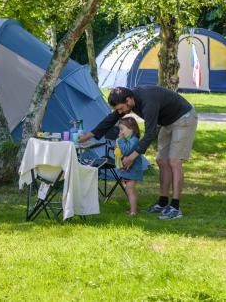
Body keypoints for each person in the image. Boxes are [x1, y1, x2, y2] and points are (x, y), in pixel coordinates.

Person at [79, 85, 198, 219]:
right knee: (162, 161)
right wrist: (86, 137)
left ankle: (175, 207)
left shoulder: (148, 102)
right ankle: (163, 202)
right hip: (167, 122)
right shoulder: (127, 101)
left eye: (121, 109)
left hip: (184, 117)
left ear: (128, 100)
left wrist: (131, 157)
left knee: (174, 161)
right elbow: (110, 119)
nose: (120, 112)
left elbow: (150, 133)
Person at [115, 117, 146, 216]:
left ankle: (133, 211)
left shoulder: (134, 140)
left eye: (122, 129)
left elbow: (126, 151)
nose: (120, 132)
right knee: (128, 190)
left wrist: (120, 140)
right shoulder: (128, 139)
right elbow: (121, 152)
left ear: (131, 129)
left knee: (130, 190)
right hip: (128, 170)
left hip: (133, 171)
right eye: (120, 129)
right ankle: (132, 209)